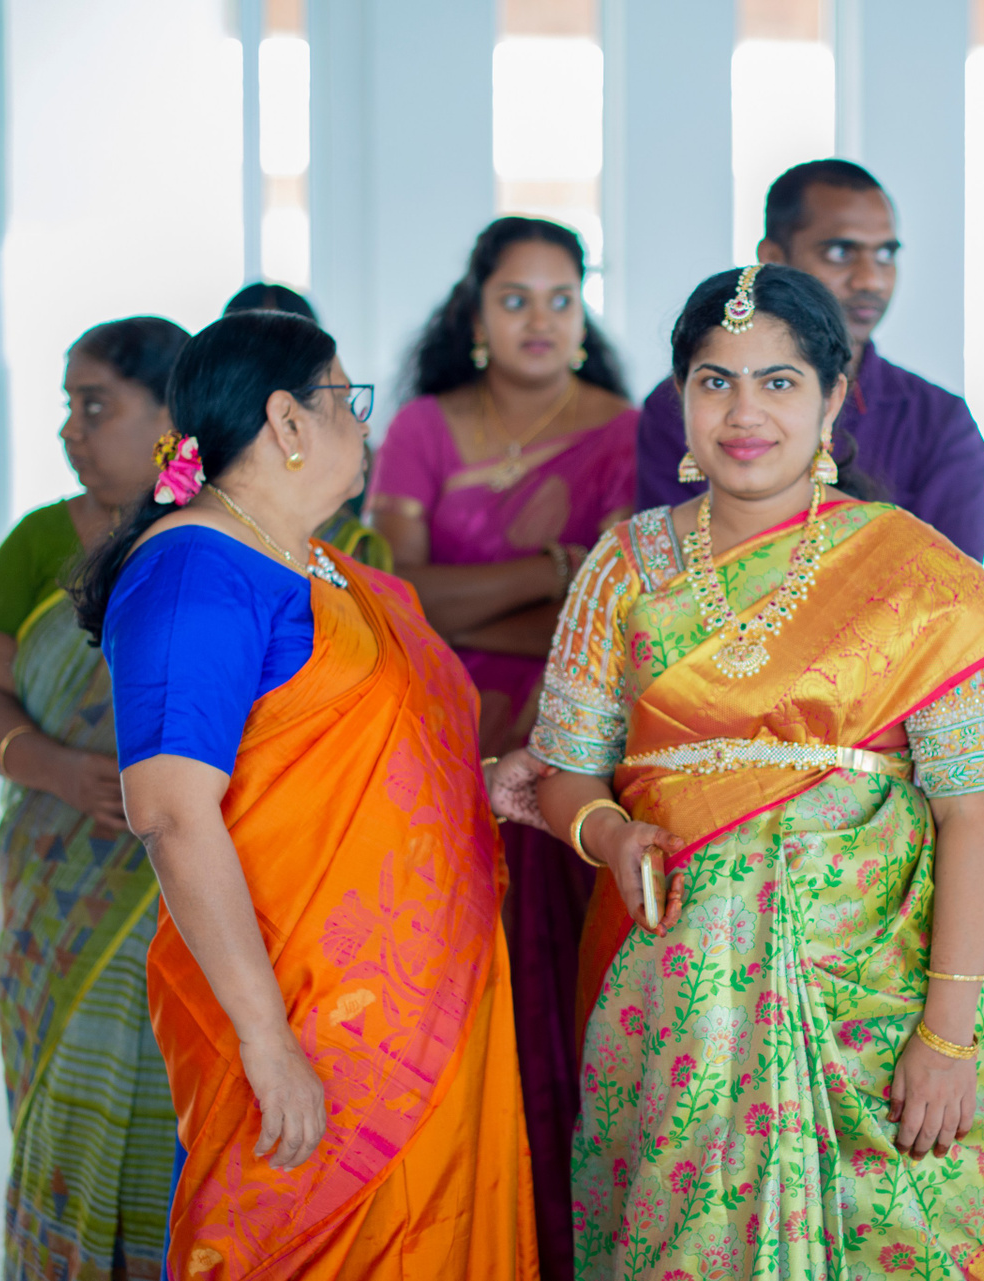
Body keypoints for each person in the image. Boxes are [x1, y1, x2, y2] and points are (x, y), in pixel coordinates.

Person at [532, 266, 984, 1277]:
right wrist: (606, 831)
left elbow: (971, 813)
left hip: (878, 1006)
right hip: (678, 1011)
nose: (744, 413)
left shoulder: (908, 572)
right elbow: (564, 771)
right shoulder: (622, 569)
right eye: (715, 381)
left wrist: (948, 1034)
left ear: (832, 400)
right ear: (681, 399)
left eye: (778, 382)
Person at [75, 310, 542, 1279]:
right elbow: (169, 811)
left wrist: (483, 785)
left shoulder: (328, 569)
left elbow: (367, 763)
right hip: (305, 1011)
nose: (365, 423)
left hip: (422, 992)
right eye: (347, 399)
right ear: (287, 420)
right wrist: (266, 1039)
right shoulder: (195, 572)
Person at [365, 216, 634, 1279]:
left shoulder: (625, 431)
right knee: (444, 986)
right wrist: (554, 569)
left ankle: (556, 1237)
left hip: (569, 755)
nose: (540, 319)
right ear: (474, 311)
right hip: (440, 748)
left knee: (555, 993)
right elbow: (398, 593)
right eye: (515, 298)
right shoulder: (424, 426)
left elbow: (612, 620)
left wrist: (472, 605)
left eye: (561, 297)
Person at [0, 315, 189, 1280]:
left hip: (194, 890)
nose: (70, 431)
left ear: (171, 419)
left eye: (95, 406)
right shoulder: (43, 540)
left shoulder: (222, 538)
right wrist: (56, 767)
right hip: (60, 884)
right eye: (69, 407)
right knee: (62, 1110)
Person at [635, 159, 984, 561]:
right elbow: (670, 572)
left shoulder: (939, 422)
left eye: (885, 254)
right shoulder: (686, 407)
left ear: (834, 398)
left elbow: (951, 589)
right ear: (774, 257)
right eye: (840, 252)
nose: (870, 280)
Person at [223, 281, 393, 571]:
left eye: (288, 341)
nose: (272, 361)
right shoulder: (213, 470)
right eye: (252, 343)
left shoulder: (355, 454)